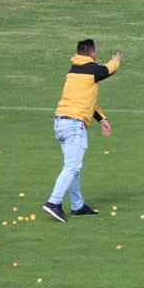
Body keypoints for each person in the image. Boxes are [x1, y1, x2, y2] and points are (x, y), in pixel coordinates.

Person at [42, 39, 123, 223]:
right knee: (72, 166)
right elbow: (105, 70)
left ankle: (77, 206)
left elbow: (86, 102)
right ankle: (53, 202)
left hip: (61, 123)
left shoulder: (73, 72)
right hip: (74, 125)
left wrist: (102, 119)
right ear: (93, 53)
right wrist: (116, 61)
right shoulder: (92, 69)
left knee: (73, 167)